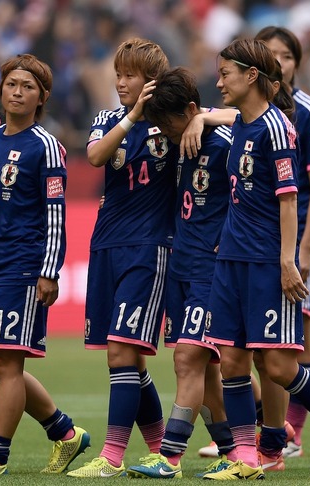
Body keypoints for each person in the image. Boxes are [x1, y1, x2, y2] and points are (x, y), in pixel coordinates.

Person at [202, 38, 310, 481]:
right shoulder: (241, 126)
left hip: (266, 262)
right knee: (231, 360)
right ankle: (247, 459)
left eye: (225, 74)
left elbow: (289, 201)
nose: (219, 82)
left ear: (251, 75)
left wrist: (288, 260)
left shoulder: (275, 127)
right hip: (231, 259)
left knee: (277, 364)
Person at [0, 53, 90, 476]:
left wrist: (50, 271)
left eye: (27, 86)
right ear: (1, 88)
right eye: (12, 83)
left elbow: (55, 214)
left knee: (9, 362)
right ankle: (65, 433)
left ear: (41, 96)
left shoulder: (46, 146)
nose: (17, 91)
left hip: (23, 267)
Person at [67, 38, 177, 478]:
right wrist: (131, 118)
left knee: (120, 352)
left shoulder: (174, 122)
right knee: (131, 358)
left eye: (130, 75)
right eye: (119, 73)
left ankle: (111, 456)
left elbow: (218, 124)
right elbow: (94, 155)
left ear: (151, 82)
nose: (120, 81)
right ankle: (158, 450)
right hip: (106, 244)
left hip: (150, 249)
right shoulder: (108, 119)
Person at [124, 67, 237, 479]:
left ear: (190, 109)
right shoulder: (176, 139)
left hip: (213, 269)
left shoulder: (226, 141)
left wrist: (206, 117)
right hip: (181, 264)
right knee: (205, 369)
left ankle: (169, 456)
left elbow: (257, 119)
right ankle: (234, 449)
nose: (164, 133)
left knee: (188, 357)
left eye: (168, 124)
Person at [254, 26, 310, 463]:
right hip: (258, 241)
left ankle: (293, 433)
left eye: (285, 55)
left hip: (295, 237)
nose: (277, 62)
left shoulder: (308, 110)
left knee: (295, 342)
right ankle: (275, 431)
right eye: (269, 54)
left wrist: (305, 248)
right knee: (262, 345)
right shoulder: (249, 113)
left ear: (296, 64)